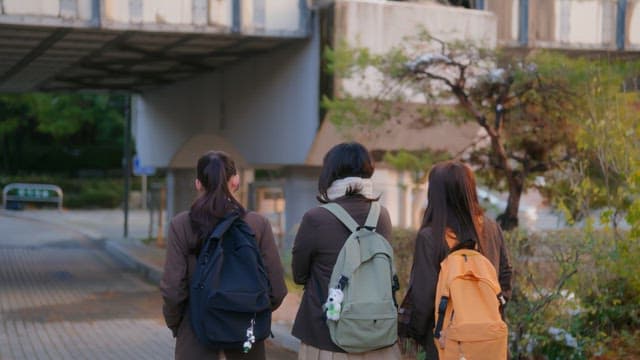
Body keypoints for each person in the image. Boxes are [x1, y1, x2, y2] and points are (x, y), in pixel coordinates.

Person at [160, 150, 287, 360]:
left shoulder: (181, 225)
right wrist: (248, 312)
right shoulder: (257, 224)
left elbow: (173, 290)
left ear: (198, 184)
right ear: (235, 181)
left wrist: (179, 325)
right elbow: (277, 290)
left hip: (196, 337)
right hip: (246, 340)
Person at [291, 142, 401, 360]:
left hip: (326, 339)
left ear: (330, 172)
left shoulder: (316, 218)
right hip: (376, 334)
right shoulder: (382, 215)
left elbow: (299, 275)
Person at [398, 160, 513, 359]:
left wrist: (414, 334)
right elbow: (505, 278)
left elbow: (423, 299)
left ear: (436, 195)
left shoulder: (430, 237)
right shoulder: (491, 228)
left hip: (446, 343)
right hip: (488, 342)